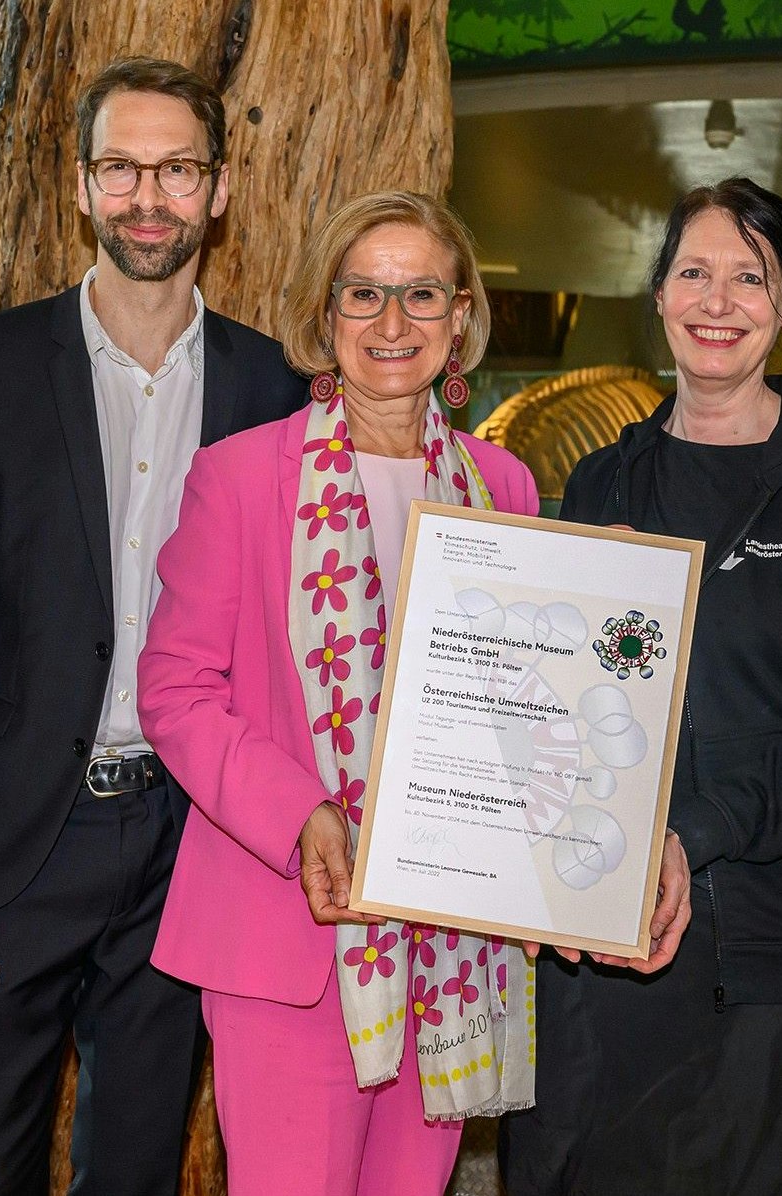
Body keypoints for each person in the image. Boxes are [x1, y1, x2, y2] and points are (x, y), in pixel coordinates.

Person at [0, 56, 303, 1195]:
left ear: (219, 190)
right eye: (120, 168)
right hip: (11, 841)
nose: (148, 197)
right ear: (79, 186)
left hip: (190, 841)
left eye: (176, 169)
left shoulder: (272, 388)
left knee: (137, 1167)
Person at [140, 191, 586, 1195]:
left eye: (420, 293)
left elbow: (524, 700)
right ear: (325, 314)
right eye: (364, 293)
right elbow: (173, 688)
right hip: (288, 931)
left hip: (446, 936)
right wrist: (299, 812)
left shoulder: (502, 484)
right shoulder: (241, 476)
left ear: (461, 314)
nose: (392, 323)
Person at [499, 178, 782, 1194]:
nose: (716, 300)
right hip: (608, 945)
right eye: (693, 271)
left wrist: (689, 836)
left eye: (748, 277)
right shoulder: (602, 481)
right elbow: (566, 701)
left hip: (768, 955)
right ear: (658, 294)